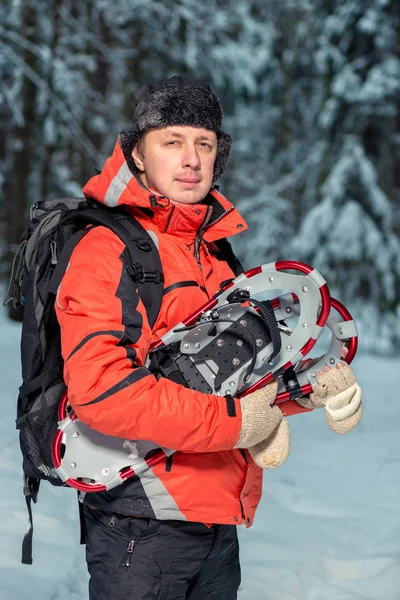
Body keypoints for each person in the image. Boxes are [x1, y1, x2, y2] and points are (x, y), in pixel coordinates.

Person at [55, 75, 362, 600]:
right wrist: (237, 424)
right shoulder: (108, 249)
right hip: (141, 525)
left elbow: (230, 385)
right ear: (137, 155)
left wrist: (307, 395)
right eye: (171, 141)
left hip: (218, 520)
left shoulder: (215, 255)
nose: (191, 158)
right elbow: (101, 392)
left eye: (204, 143)